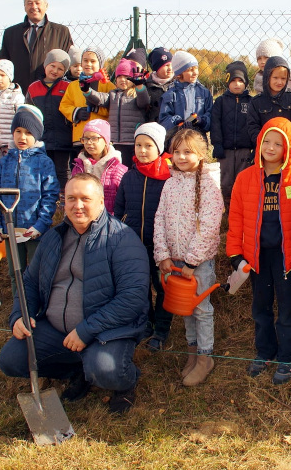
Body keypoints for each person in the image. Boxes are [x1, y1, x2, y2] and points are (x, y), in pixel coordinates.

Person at [0, 173, 150, 415]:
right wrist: (19, 314)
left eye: (85, 198)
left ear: (101, 202)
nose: (77, 205)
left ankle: (125, 382)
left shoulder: (122, 239)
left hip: (106, 331)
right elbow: (29, 282)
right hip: (56, 329)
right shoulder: (53, 237)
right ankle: (76, 370)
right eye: (71, 198)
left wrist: (86, 330)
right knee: (11, 360)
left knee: (105, 370)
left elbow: (132, 298)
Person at [226, 117, 291, 385]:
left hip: (286, 256)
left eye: (278, 143)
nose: (271, 147)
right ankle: (265, 351)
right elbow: (236, 218)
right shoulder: (245, 178)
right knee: (261, 306)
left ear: (288, 147)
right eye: (267, 140)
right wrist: (234, 252)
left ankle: (287, 357)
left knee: (288, 307)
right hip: (256, 256)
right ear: (259, 142)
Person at [153, 128, 223, 386]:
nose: (181, 157)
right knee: (185, 309)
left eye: (187, 152)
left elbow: (209, 226)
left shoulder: (208, 185)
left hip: (199, 264)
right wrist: (162, 255)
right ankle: (191, 353)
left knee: (201, 309)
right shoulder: (170, 184)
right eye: (177, 151)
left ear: (200, 154)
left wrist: (193, 261)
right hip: (174, 260)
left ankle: (205, 357)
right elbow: (159, 219)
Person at [114, 122, 173, 352]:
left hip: (160, 245)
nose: (142, 150)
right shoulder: (129, 177)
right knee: (141, 286)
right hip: (133, 244)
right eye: (138, 145)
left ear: (159, 148)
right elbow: (119, 209)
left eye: (148, 145)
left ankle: (162, 328)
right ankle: (146, 323)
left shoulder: (168, 177)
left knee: (162, 286)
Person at [0, 105, 59, 285]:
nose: (22, 137)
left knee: (38, 273)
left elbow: (50, 196)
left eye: (28, 132)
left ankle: (37, 311)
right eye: (18, 131)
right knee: (15, 273)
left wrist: (40, 225)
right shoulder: (5, 162)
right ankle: (18, 311)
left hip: (33, 231)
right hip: (10, 229)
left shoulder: (44, 162)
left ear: (36, 134)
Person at [0, 0, 74, 88]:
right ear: (25, 7)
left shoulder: (61, 32)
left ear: (46, 6)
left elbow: (70, 65)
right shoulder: (11, 33)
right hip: (18, 92)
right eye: (29, 3)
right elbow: (3, 64)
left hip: (50, 92)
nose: (34, 7)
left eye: (37, 3)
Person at [84, 58, 150, 161]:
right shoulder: (113, 94)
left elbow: (144, 102)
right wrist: (87, 90)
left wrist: (140, 86)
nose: (123, 80)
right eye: (119, 77)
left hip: (131, 141)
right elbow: (99, 98)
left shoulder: (136, 93)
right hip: (114, 141)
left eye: (127, 77)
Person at [25, 49, 73, 190]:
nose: (55, 71)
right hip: (41, 139)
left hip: (63, 138)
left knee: (63, 171)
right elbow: (29, 112)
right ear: (45, 65)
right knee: (42, 170)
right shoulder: (33, 88)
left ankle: (63, 200)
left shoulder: (68, 86)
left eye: (60, 69)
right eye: (52, 66)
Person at [211, 61, 254, 203]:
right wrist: (217, 144)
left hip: (245, 150)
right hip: (226, 150)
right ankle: (226, 207)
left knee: (243, 179)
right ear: (227, 82)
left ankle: (242, 205)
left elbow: (254, 124)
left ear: (246, 83)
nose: (237, 84)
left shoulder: (251, 102)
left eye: (240, 80)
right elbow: (215, 124)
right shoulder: (220, 102)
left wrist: (254, 145)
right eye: (233, 80)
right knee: (225, 180)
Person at [71, 120, 127, 214]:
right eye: (85, 138)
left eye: (94, 138)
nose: (89, 142)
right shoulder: (78, 167)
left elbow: (122, 203)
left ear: (106, 141)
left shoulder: (118, 169)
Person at [59, 47, 113, 146]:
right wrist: (77, 112)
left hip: (101, 138)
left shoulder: (108, 86)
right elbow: (64, 106)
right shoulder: (73, 85)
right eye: (85, 60)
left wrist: (97, 109)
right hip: (80, 137)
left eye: (93, 61)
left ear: (100, 64)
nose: (88, 64)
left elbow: (113, 109)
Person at [247, 56, 291, 143]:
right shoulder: (257, 102)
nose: (279, 82)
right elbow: (253, 127)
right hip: (266, 150)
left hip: (288, 147)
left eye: (283, 78)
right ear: (267, 77)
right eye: (275, 78)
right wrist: (265, 144)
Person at [159, 51, 213, 138]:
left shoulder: (204, 92)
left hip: (198, 139)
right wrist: (177, 121)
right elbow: (164, 119)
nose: (195, 72)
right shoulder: (171, 94)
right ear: (179, 74)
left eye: (196, 68)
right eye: (190, 70)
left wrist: (201, 121)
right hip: (177, 139)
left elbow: (210, 115)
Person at [144, 47, 174, 123]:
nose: (170, 68)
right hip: (153, 126)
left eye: (171, 64)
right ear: (157, 68)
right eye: (166, 65)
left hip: (173, 127)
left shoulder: (177, 83)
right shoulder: (148, 85)